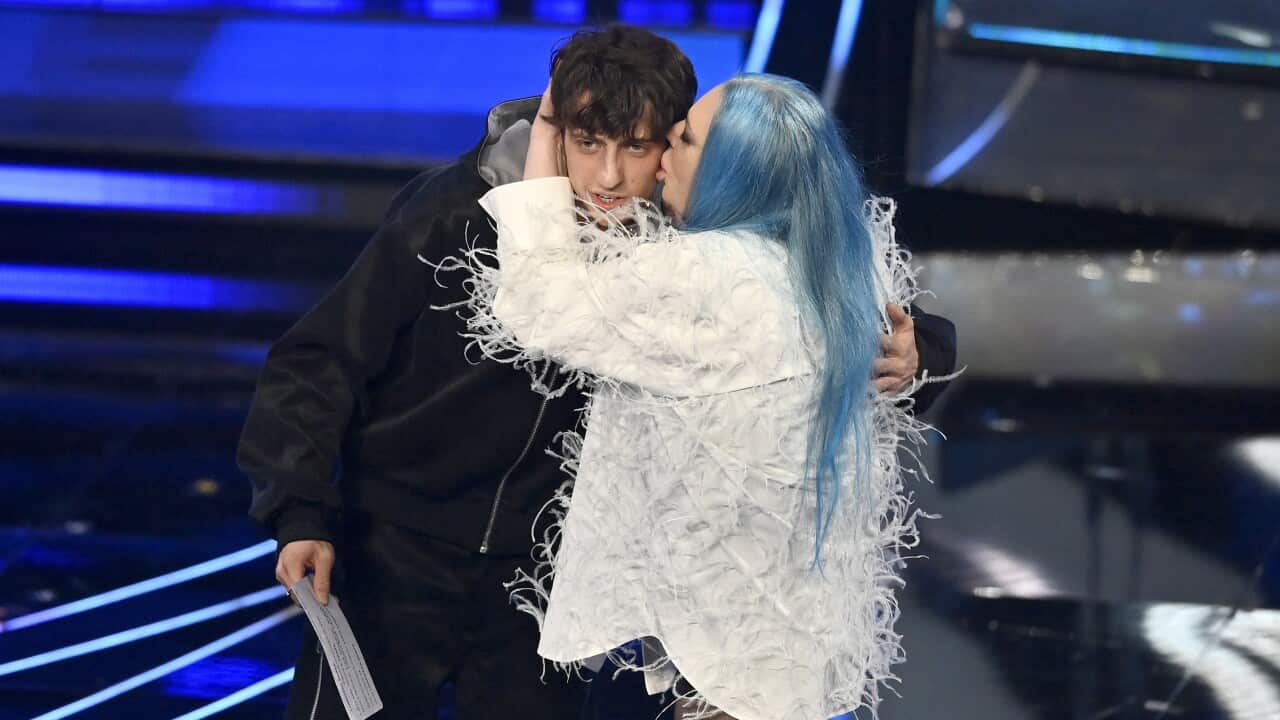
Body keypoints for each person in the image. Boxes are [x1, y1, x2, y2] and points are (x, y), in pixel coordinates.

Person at [456, 74, 953, 720]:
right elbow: (903, 338)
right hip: (800, 669)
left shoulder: (704, 279)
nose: (663, 157)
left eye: (684, 140)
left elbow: (537, 305)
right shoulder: (847, 265)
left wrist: (549, 130)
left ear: (734, 171)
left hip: (725, 680)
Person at [237, 26, 699, 720]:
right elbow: (321, 358)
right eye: (587, 142)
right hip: (390, 556)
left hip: (544, 588)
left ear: (669, 146)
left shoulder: (683, 248)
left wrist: (922, 354)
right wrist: (299, 510)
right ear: (555, 131)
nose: (608, 178)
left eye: (635, 147)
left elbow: (846, 305)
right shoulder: (457, 209)